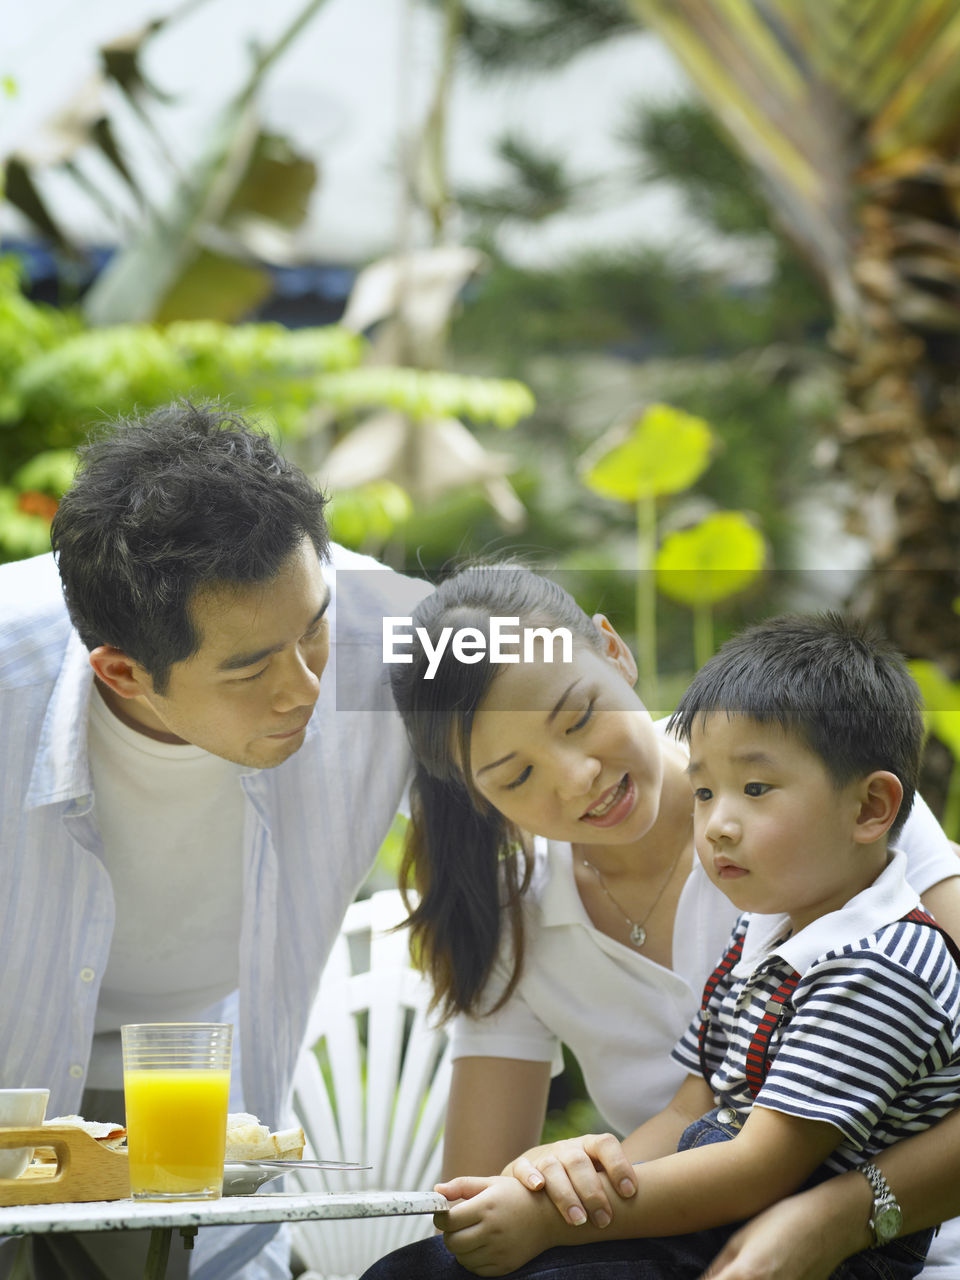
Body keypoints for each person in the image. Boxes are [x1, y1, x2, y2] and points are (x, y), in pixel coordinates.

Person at [367, 567, 960, 1278]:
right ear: (476, 795)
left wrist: (836, 1216)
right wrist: (550, 1173)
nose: (575, 775)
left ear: (614, 651)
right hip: (676, 1226)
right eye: (516, 776)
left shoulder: (831, 815)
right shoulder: (516, 912)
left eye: (580, 716)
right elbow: (481, 1205)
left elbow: (764, 1166)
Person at [0, 402, 427, 1280]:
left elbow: (601, 786)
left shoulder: (397, 637)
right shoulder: (11, 672)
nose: (306, 687)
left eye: (314, 631)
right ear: (121, 670)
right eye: (250, 669)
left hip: (205, 1098)